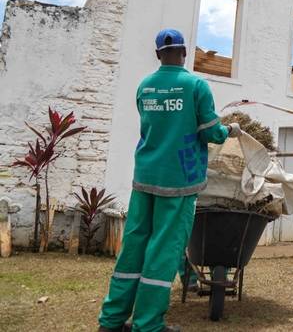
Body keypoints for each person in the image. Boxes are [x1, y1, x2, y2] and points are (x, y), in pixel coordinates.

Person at [98, 29, 240, 332]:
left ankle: (111, 320)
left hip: (145, 177)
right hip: (179, 180)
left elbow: (153, 126)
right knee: (164, 251)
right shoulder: (195, 86)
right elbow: (211, 133)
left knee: (133, 247)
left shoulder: (145, 86)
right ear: (184, 53)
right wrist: (230, 131)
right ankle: (148, 324)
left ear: (158, 54)